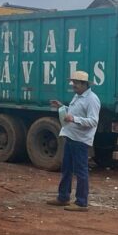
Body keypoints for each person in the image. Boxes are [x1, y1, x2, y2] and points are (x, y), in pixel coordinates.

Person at [46, 71, 100, 212]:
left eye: (76, 82)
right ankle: (63, 197)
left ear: (84, 84)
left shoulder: (92, 99)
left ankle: (82, 202)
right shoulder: (78, 96)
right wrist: (62, 108)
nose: (73, 85)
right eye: (73, 82)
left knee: (81, 171)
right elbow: (74, 113)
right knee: (66, 169)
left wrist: (74, 119)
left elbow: (93, 121)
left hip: (80, 140)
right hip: (71, 136)